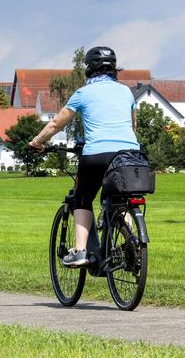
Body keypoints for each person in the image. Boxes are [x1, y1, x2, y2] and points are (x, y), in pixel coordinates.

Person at [30, 46, 139, 266]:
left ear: (89, 69)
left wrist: (37, 142)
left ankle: (80, 250)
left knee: (82, 198)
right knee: (121, 200)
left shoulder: (83, 93)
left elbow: (56, 123)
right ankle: (132, 242)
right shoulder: (126, 92)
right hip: (129, 155)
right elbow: (133, 126)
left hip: (97, 154)